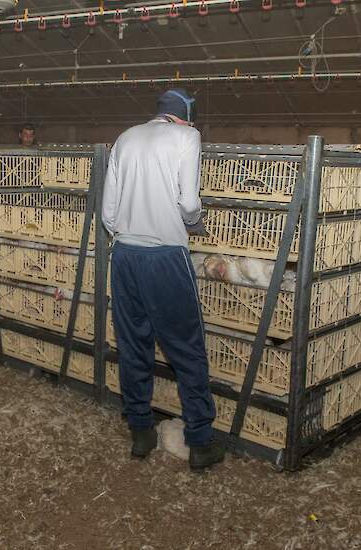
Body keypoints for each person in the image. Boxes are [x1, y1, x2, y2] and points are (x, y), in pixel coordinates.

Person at [101, 88, 224, 471]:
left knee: (133, 343)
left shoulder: (125, 137)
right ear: (185, 115)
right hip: (165, 257)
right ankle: (200, 441)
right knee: (186, 345)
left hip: (124, 256)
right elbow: (188, 201)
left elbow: (108, 210)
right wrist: (193, 224)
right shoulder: (188, 137)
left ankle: (141, 431)